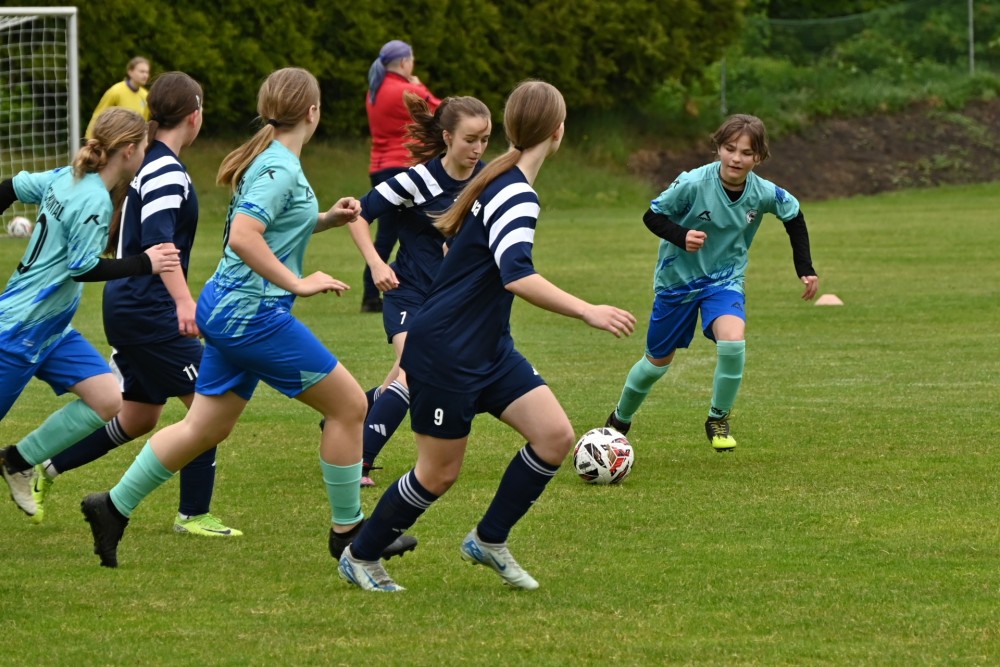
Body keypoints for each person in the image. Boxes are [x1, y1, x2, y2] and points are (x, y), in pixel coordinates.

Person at [79, 67, 417, 569]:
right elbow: (243, 236)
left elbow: (271, 226)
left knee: (203, 427)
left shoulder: (273, 159)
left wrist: (327, 219)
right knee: (349, 407)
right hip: (251, 315)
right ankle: (349, 533)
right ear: (313, 112)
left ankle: (111, 507)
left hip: (228, 309)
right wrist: (297, 283)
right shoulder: (279, 166)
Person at [338, 80, 636, 592]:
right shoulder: (514, 191)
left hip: (489, 347)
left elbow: (464, 252)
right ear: (558, 131)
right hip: (446, 350)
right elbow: (516, 274)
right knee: (438, 474)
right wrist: (588, 310)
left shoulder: (497, 177)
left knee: (555, 437)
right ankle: (360, 556)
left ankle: (489, 539)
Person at [30, 72, 241, 537]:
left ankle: (45, 467)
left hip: (132, 305)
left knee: (140, 416)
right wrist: (184, 303)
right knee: (208, 407)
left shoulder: (154, 162)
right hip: (150, 309)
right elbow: (160, 245)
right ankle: (193, 514)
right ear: (195, 116)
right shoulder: (165, 169)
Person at [0, 108, 180, 518]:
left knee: (107, 399)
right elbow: (82, 268)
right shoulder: (95, 198)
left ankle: (17, 460)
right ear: (129, 150)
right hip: (18, 331)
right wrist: (145, 263)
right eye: (144, 147)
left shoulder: (66, 176)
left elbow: (10, 186)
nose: (146, 154)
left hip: (51, 330)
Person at [604, 113, 819, 451]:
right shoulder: (693, 183)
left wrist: (804, 267)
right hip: (677, 282)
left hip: (724, 279)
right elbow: (652, 215)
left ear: (759, 157)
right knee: (655, 365)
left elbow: (793, 215)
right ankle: (620, 419)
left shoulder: (763, 192)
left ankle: (718, 417)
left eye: (746, 152)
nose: (736, 158)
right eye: (730, 149)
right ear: (718, 148)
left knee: (733, 341)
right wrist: (681, 236)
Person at [347, 92, 491, 487]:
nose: (478, 149)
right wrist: (376, 264)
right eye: (470, 140)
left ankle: (347, 415)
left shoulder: (488, 181)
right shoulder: (417, 179)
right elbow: (358, 215)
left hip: (449, 304)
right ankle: (358, 462)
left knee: (405, 376)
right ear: (447, 137)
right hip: (407, 292)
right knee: (413, 370)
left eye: (484, 140)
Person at [360, 39, 441, 313]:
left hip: (379, 166)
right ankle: (376, 294)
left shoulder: (374, 91)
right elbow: (444, 112)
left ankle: (371, 294)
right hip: (402, 166)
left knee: (387, 232)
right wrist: (419, 86)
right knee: (411, 230)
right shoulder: (406, 90)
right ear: (405, 62)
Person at [85, 57, 151, 139]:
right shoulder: (116, 91)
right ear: (130, 72)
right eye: (142, 71)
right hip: (114, 140)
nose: (145, 75)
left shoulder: (146, 96)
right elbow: (98, 116)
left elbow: (144, 123)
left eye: (147, 72)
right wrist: (90, 139)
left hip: (134, 141)